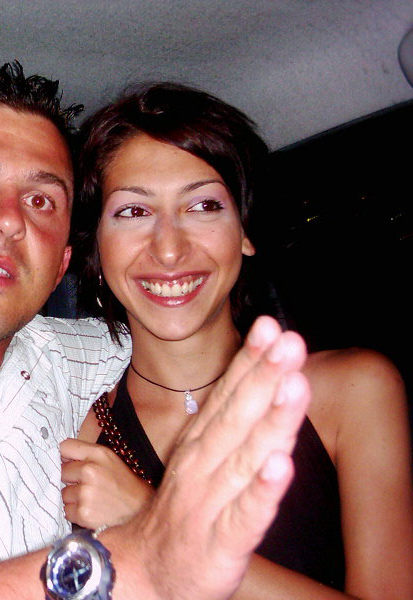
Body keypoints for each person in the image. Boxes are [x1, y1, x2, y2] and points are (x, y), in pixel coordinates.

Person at [0, 62, 314, 599]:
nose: (10, 219)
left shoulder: (76, 358)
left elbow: (179, 317)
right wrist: (143, 555)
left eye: (41, 200)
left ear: (62, 263)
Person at [62, 83, 413, 599]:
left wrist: (156, 525)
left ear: (244, 231)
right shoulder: (76, 435)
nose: (169, 249)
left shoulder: (351, 391)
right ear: (97, 249)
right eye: (134, 212)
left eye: (203, 205)